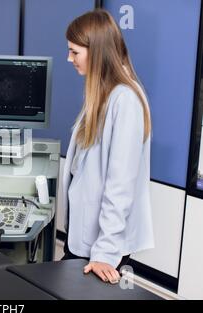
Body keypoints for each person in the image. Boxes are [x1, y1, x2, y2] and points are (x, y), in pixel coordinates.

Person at [61, 9, 154, 284]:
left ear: (96, 51)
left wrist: (105, 252)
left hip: (103, 246)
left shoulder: (125, 100)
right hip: (83, 237)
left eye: (74, 52)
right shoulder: (101, 94)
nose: (69, 58)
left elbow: (121, 184)